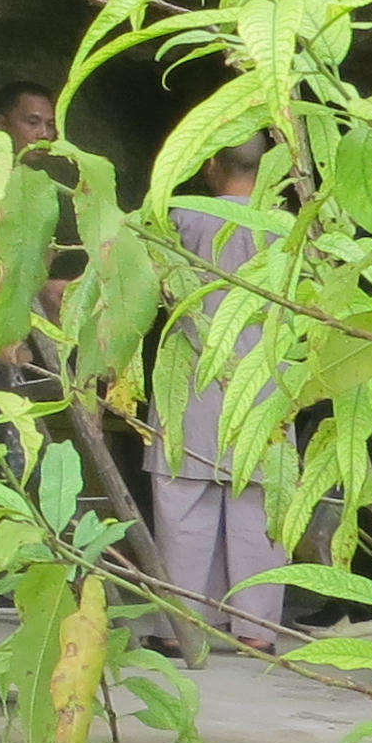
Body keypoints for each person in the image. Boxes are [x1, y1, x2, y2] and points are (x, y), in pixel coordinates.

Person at [151, 143, 294, 653]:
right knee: (260, 505)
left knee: (184, 504)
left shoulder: (181, 218)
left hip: (192, 380)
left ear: (211, 166)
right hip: (267, 382)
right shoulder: (289, 228)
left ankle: (184, 628)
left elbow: (152, 289)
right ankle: (256, 630)